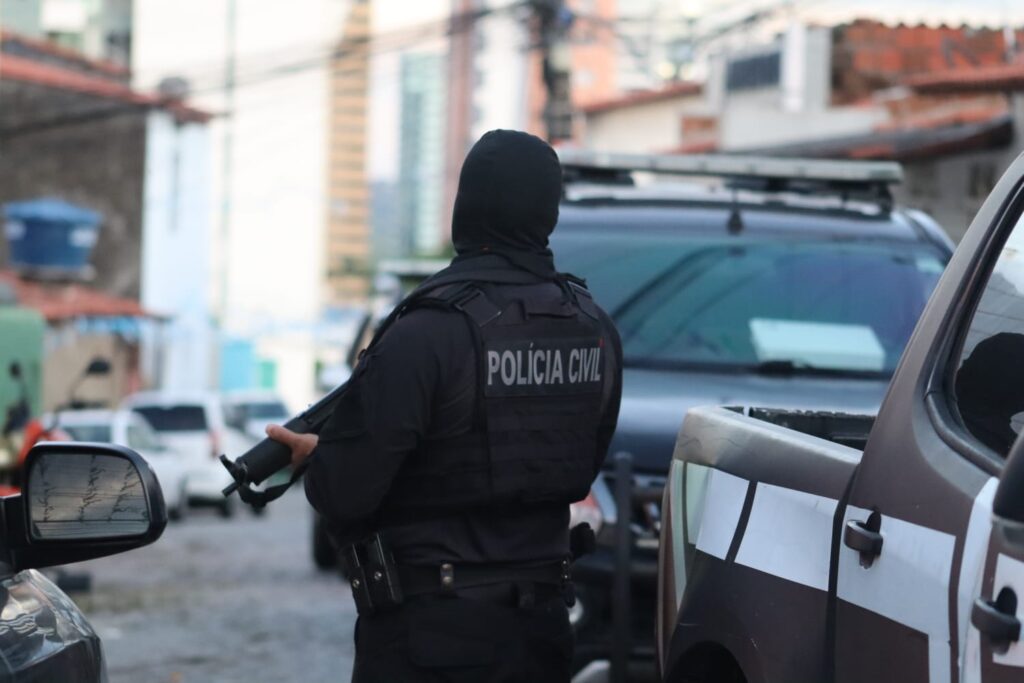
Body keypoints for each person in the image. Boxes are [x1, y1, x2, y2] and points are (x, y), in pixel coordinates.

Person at [268, 129, 622, 682]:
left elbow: (345, 494)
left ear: (467, 205)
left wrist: (318, 457)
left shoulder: (426, 332)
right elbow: (578, 462)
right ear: (547, 212)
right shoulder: (594, 329)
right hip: (543, 636)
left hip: (431, 637)